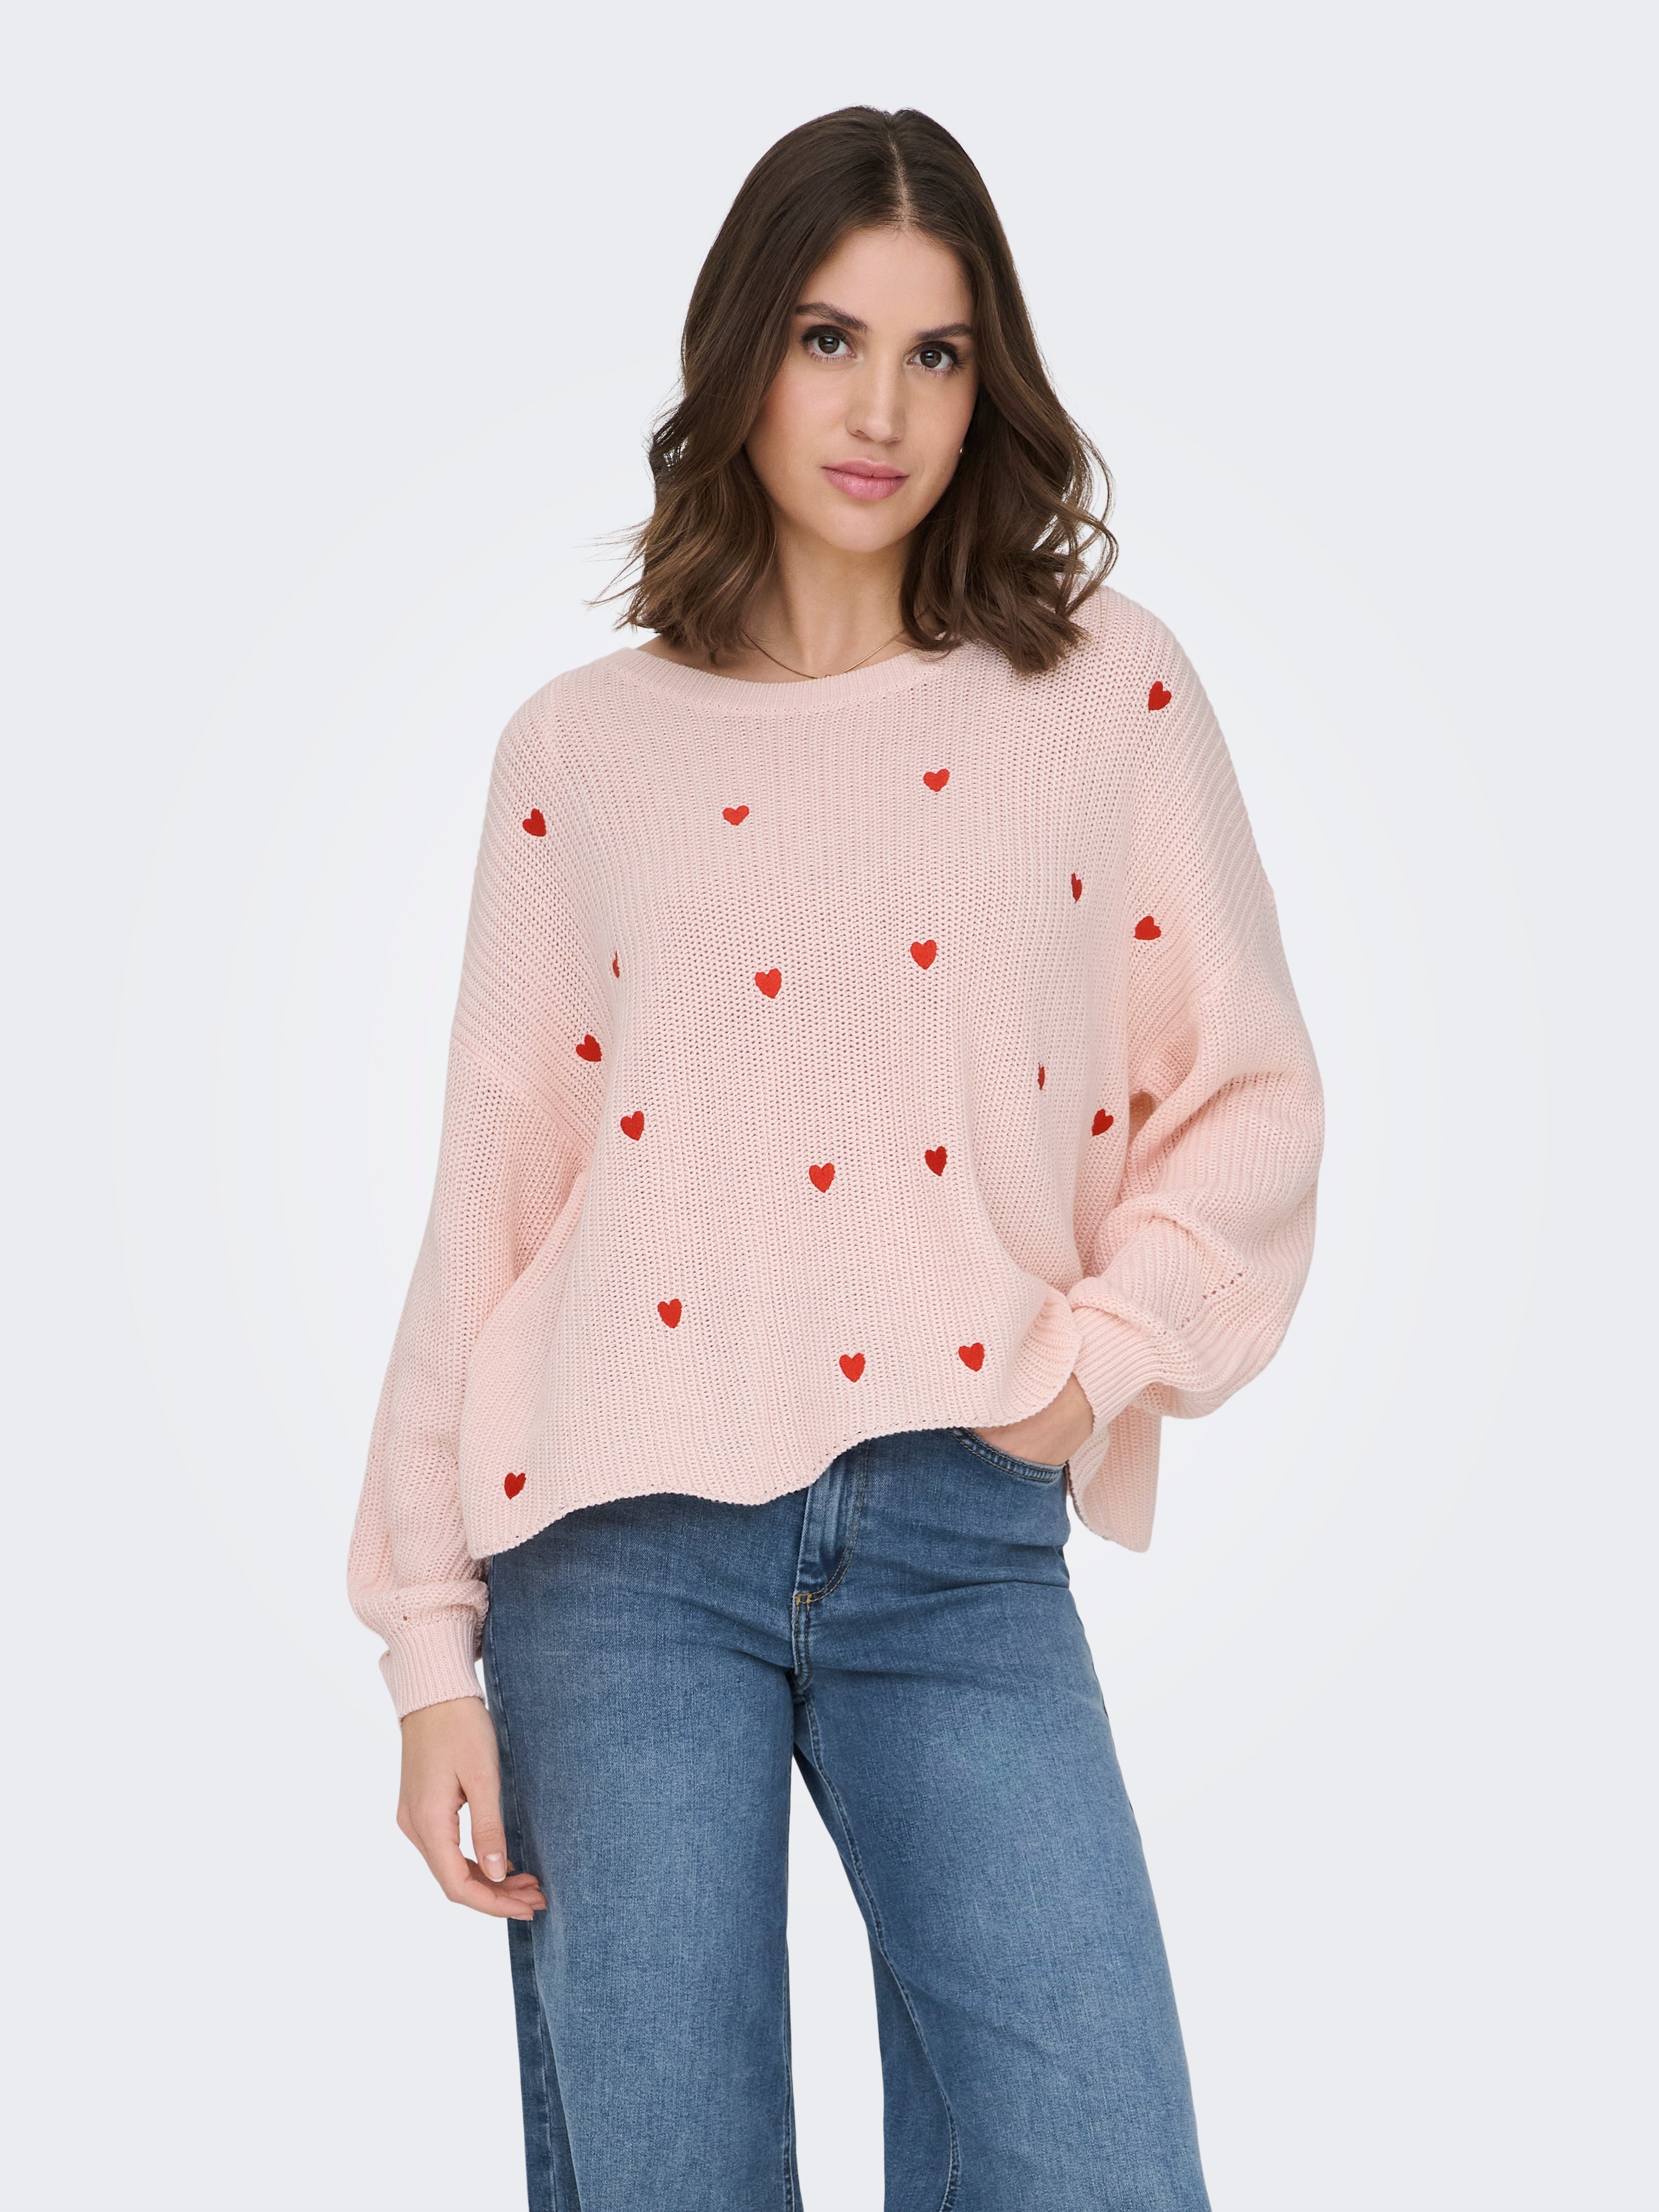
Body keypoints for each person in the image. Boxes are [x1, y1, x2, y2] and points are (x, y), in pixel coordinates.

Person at [348, 104, 1323, 2212]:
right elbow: (494, 1199)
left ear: (989, 383)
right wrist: (429, 1653)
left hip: (959, 1535)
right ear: (743, 356)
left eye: (936, 353)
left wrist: (1090, 1371)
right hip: (613, 1551)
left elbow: (1249, 1096)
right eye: (828, 339)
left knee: (1099, 2160)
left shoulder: (1101, 697)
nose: (881, 409)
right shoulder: (581, 750)